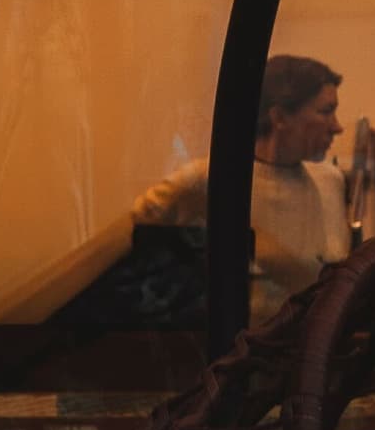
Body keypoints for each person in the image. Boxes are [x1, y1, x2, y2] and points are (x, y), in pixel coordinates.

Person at [119, 51, 354, 313]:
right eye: (326, 112)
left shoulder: (330, 181)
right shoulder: (208, 178)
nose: (337, 127)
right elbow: (135, 229)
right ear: (279, 117)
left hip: (320, 331)